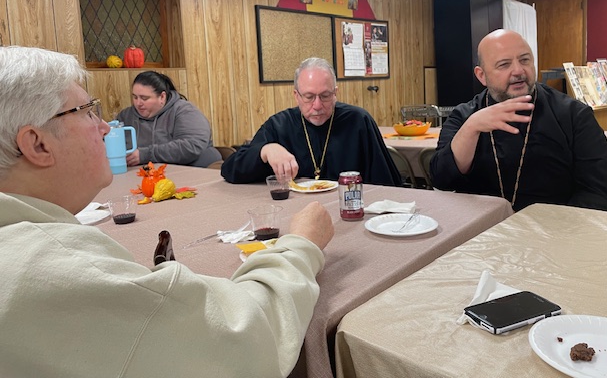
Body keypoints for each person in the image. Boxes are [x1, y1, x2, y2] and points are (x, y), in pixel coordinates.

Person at [0, 46, 335, 376]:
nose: (105, 128)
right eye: (88, 112)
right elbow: (242, 338)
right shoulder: (67, 272)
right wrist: (301, 245)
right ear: (37, 144)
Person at [430, 29, 607, 212]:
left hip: (555, 226)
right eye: (504, 64)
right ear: (482, 75)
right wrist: (471, 128)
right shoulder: (464, 116)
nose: (518, 71)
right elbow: (442, 180)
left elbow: (598, 191)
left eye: (525, 60)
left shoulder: (573, 114)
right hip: (482, 226)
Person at [221, 57, 401, 186]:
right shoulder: (279, 125)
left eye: (325, 96)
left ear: (335, 93)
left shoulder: (358, 121)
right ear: (296, 96)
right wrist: (265, 150)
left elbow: (386, 184)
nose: (317, 105)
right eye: (309, 97)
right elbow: (229, 169)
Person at [116, 71, 222, 167]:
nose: (138, 103)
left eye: (144, 98)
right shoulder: (126, 116)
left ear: (162, 97)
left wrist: (146, 155)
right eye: (135, 97)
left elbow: (192, 146)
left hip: (197, 170)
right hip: (145, 175)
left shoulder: (184, 111)